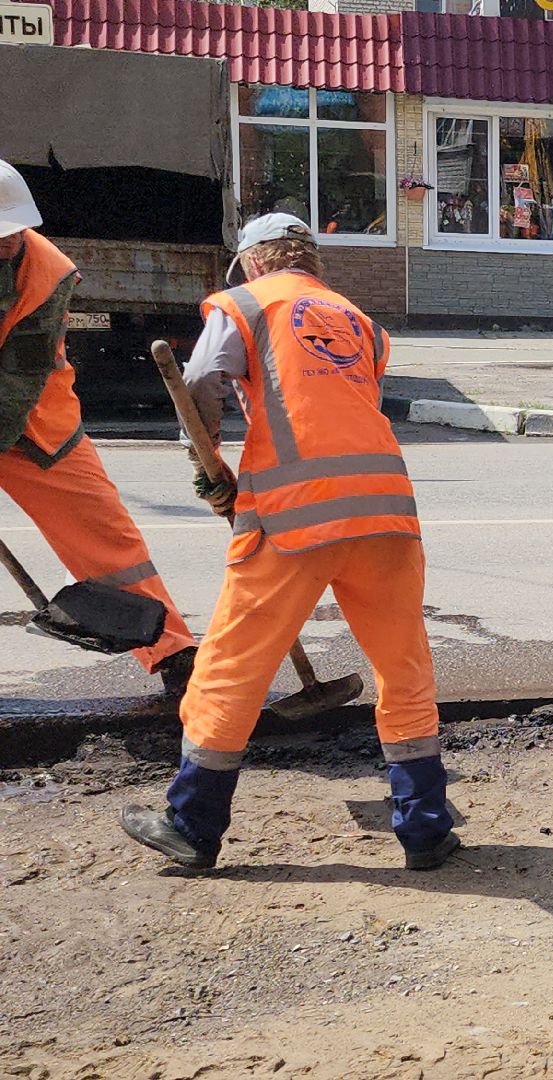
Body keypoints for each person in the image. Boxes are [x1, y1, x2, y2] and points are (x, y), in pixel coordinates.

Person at [120, 213, 457, 872]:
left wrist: (210, 467)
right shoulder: (358, 320)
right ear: (310, 262)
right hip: (386, 512)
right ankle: (426, 831)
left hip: (291, 518)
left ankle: (192, 825)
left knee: (230, 670)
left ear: (252, 262)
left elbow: (199, 385)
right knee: (405, 671)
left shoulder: (243, 302)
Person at [0, 159, 198, 693]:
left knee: (109, 541)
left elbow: (18, 376)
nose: (9, 242)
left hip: (37, 426)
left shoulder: (45, 271)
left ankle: (174, 655)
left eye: (15, 230)